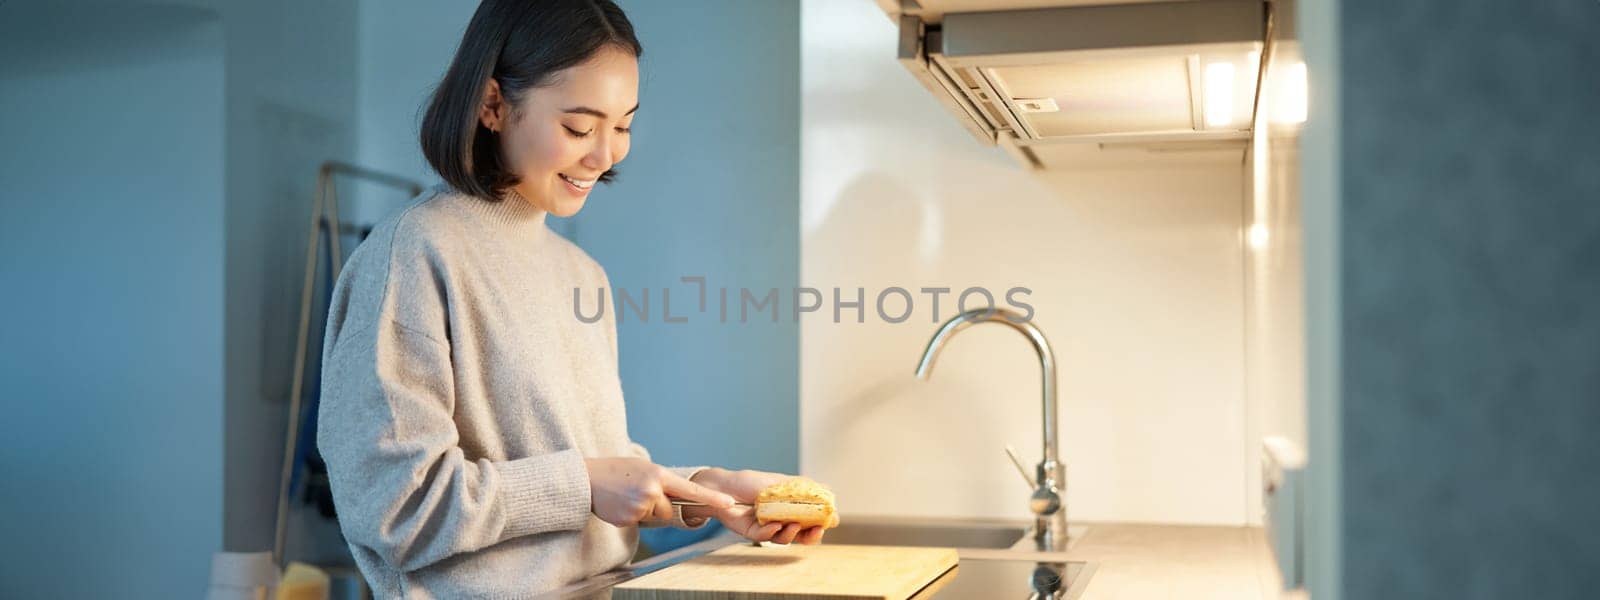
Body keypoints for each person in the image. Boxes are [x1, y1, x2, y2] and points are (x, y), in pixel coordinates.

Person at [316, 1, 825, 597]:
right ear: (493, 105)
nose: (605, 155)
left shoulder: (580, 273)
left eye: (624, 125)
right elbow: (395, 510)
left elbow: (602, 468)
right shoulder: (415, 253)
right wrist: (583, 484)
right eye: (580, 128)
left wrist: (709, 491)